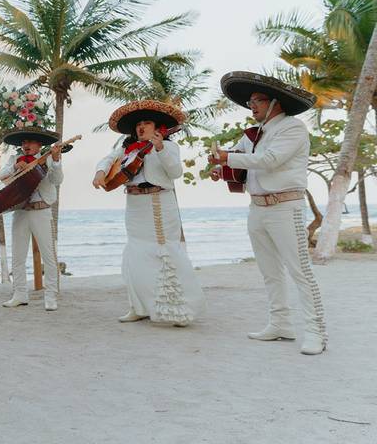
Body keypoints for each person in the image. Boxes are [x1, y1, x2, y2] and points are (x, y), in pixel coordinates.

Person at [210, 71, 326, 355]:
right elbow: (238, 161)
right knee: (270, 272)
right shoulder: (251, 135)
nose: (252, 106)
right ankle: (281, 324)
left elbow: (270, 160)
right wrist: (220, 168)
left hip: (286, 207)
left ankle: (316, 333)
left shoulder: (293, 128)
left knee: (301, 271)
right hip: (257, 208)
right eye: (250, 102)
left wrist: (228, 157)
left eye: (257, 100)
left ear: (276, 102)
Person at [92, 100, 205, 326]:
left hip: (159, 203)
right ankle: (139, 306)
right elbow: (107, 159)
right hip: (134, 205)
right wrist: (100, 172)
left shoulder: (169, 147)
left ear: (158, 127)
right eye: (138, 124)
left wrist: (160, 148)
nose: (141, 127)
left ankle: (178, 310)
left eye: (147, 122)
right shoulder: (127, 149)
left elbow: (175, 172)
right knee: (135, 253)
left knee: (164, 252)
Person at [0, 127, 64, 311]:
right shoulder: (14, 159)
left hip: (41, 211)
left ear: (39, 144)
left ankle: (51, 296)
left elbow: (57, 180)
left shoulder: (49, 158)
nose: (26, 145)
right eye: (23, 142)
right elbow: (2, 175)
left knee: (49, 256)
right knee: (18, 256)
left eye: (30, 142)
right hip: (20, 210)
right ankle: (19, 294)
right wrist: (15, 167)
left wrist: (56, 160)